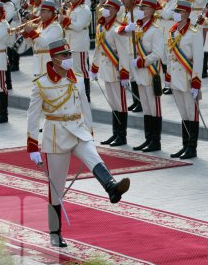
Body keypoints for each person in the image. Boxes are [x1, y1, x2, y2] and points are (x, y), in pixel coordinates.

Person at [27, 38, 130, 247]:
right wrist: (32, 146)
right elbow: (33, 116)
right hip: (56, 135)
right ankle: (55, 234)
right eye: (64, 55)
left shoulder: (78, 79)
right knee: (56, 188)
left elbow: (85, 106)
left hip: (78, 131)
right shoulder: (41, 84)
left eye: (69, 54)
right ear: (54, 59)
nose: (68, 58)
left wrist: (90, 131)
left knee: (95, 158)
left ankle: (111, 187)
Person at [90, 0, 132, 147]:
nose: (104, 9)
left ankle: (122, 135)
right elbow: (98, 50)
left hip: (116, 71)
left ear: (114, 10)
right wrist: (94, 68)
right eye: (104, 6)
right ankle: (115, 133)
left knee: (120, 104)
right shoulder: (101, 27)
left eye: (108, 7)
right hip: (106, 70)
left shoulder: (117, 28)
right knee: (113, 103)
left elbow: (123, 53)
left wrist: (125, 73)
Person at [165, 0, 204, 159]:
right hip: (176, 78)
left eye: (180, 11)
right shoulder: (173, 31)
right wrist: (167, 76)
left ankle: (192, 147)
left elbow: (199, 60)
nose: (176, 14)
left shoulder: (194, 33)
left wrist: (196, 82)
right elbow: (170, 56)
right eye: (176, 11)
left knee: (191, 113)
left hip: (188, 79)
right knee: (183, 113)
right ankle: (184, 145)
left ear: (187, 14)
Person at [130, 0, 165, 152]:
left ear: (151, 10)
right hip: (140, 73)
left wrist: (141, 61)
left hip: (151, 73)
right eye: (140, 8)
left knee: (154, 108)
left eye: (143, 8)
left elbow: (158, 53)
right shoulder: (139, 28)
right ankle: (148, 138)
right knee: (146, 107)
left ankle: (156, 141)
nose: (140, 10)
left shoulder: (155, 30)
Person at [60, 0, 92, 100]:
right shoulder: (73, 8)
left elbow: (78, 26)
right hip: (71, 43)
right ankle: (76, 92)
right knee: (72, 70)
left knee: (82, 70)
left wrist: (66, 21)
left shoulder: (84, 9)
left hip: (79, 44)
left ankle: (86, 94)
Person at [21, 0, 63, 76]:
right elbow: (30, 43)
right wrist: (26, 35)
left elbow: (44, 44)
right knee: (37, 87)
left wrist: (31, 32)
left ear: (50, 13)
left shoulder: (55, 27)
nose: (40, 14)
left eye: (43, 12)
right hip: (38, 62)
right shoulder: (41, 26)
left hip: (49, 62)